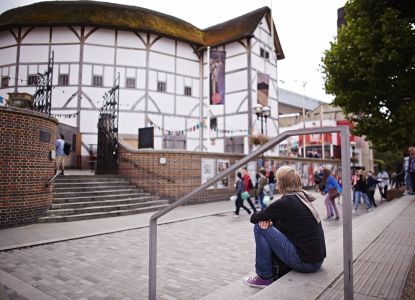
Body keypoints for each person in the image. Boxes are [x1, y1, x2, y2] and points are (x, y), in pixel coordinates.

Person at [244, 166, 326, 288]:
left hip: (306, 263)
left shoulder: (286, 202)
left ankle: (264, 276)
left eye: (277, 180)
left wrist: (266, 219)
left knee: (259, 227)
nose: (276, 182)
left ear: (281, 183)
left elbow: (254, 218)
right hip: (316, 260)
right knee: (265, 225)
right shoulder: (301, 197)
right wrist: (269, 220)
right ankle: (267, 273)